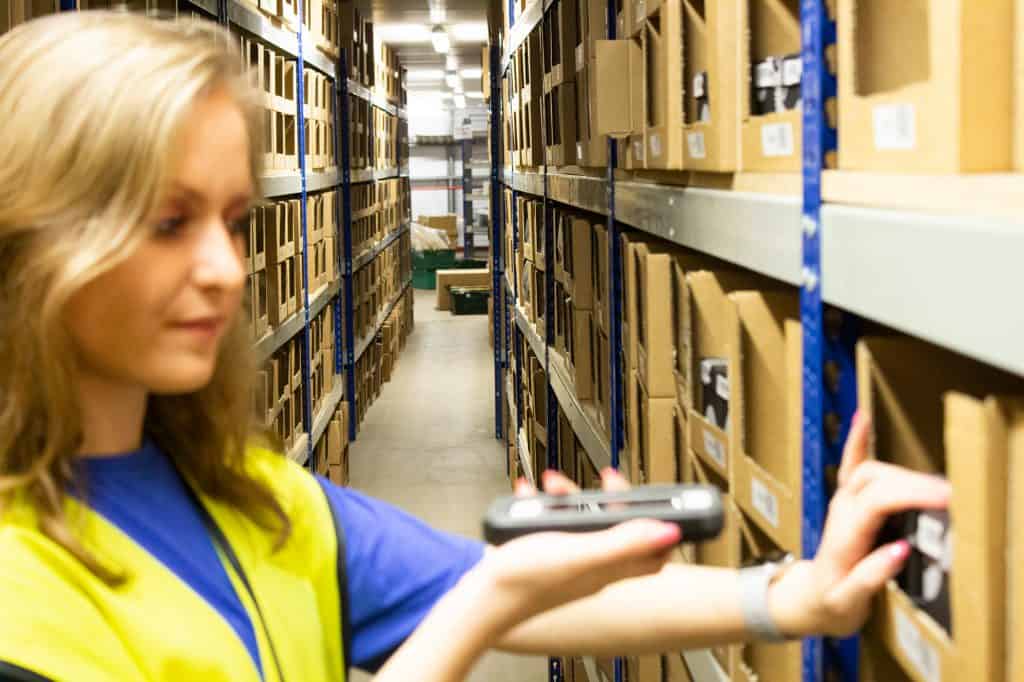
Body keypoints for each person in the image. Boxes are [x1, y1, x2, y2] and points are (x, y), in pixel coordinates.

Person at [0, 12, 950, 682]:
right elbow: (488, 601)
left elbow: (504, 594)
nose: (225, 269)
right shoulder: (19, 604)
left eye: (237, 221)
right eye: (168, 223)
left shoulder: (247, 497)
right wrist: (485, 610)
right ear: (32, 236)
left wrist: (794, 597)